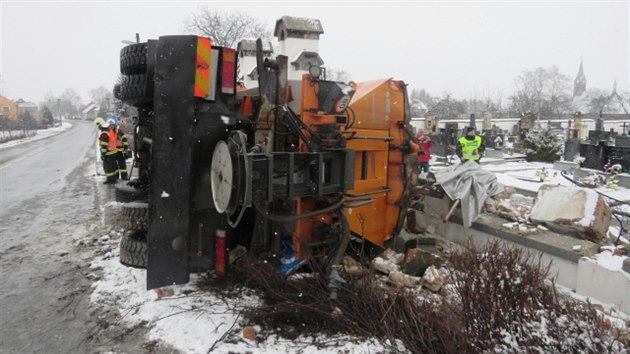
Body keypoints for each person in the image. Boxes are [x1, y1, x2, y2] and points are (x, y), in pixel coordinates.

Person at [99, 119, 120, 184]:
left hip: (108, 154)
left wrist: (103, 154)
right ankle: (114, 179)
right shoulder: (109, 133)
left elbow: (104, 146)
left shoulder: (104, 135)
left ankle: (109, 180)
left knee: (108, 167)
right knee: (113, 166)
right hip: (113, 152)